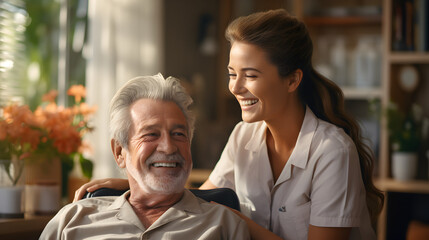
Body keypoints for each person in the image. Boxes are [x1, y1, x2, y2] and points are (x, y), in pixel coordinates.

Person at [74, 9, 384, 240]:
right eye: (232, 73)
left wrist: (234, 218)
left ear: (292, 79)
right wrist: (137, 184)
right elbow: (202, 197)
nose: (235, 87)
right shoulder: (244, 136)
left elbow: (216, 209)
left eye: (250, 75)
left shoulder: (332, 151)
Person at [41, 74, 250, 240]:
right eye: (151, 134)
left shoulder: (225, 226)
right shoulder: (72, 220)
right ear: (119, 152)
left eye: (179, 134)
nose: (168, 148)